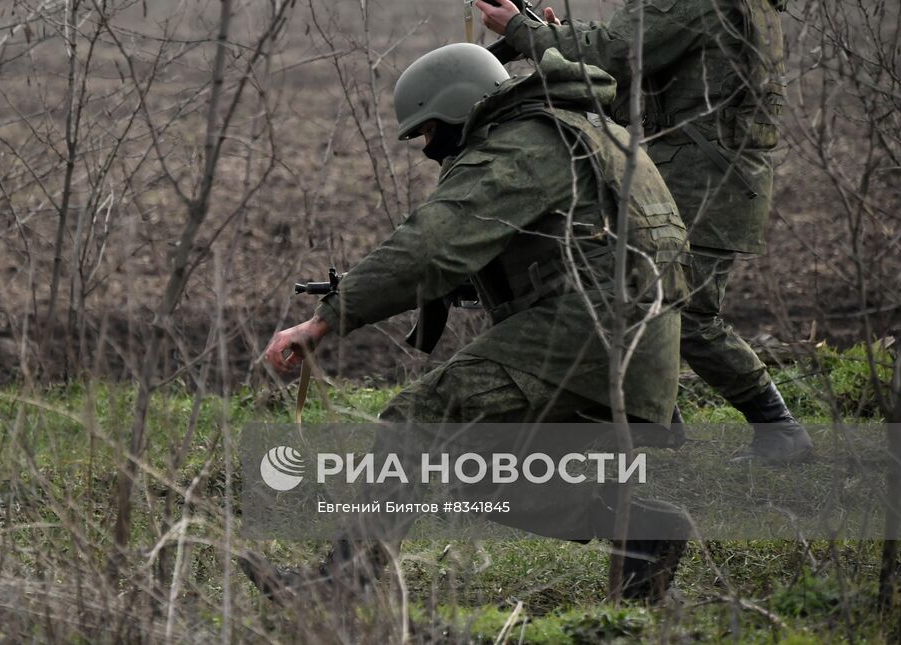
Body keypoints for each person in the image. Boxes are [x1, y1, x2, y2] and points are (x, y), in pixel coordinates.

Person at [243, 43, 691, 603]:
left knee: (421, 417)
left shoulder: (524, 147)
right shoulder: (578, 130)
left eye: (429, 132)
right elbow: (557, 247)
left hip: (590, 333)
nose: (429, 148)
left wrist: (325, 321)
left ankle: (340, 585)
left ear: (458, 108)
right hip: (636, 343)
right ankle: (645, 532)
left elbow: (434, 245)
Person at [476, 0, 812, 464]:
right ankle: (657, 422)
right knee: (638, 297)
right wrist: (556, 39)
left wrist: (526, 34)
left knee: (685, 312)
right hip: (700, 171)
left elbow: (614, 53)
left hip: (705, 176)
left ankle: (779, 429)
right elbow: (638, 75)